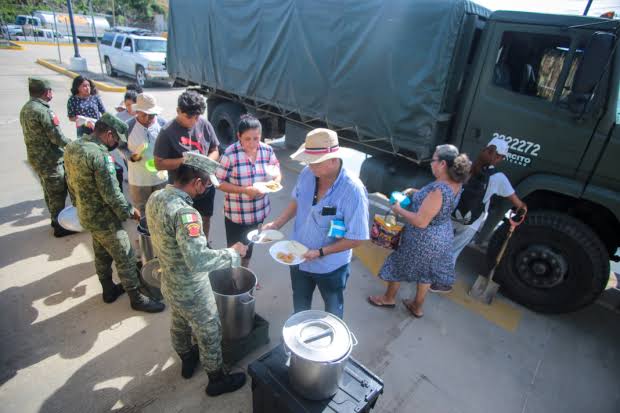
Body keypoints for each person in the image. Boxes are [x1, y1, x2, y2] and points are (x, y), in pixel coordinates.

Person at [146, 152, 248, 396]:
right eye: (206, 185)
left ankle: (187, 360)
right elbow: (199, 260)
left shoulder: (156, 197)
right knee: (210, 330)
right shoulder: (186, 214)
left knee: (179, 321)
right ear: (197, 183)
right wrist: (233, 253)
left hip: (168, 281)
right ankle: (216, 380)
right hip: (192, 288)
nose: (206, 190)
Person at [64, 113, 165, 313]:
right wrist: (130, 211)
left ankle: (108, 289)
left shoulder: (73, 147)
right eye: (117, 139)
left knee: (101, 252)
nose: (117, 144)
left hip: (86, 214)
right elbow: (111, 194)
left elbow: (70, 182)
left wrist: (78, 205)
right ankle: (137, 298)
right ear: (109, 134)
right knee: (126, 256)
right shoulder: (101, 157)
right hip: (104, 218)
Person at [263, 128, 369, 319]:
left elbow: (357, 238)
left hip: (330, 266)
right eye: (308, 161)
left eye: (315, 163)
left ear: (333, 160)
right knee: (300, 303)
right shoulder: (307, 174)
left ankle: (333, 343)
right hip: (297, 256)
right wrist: (276, 224)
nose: (310, 167)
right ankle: (298, 336)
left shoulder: (353, 191)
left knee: (333, 308)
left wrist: (320, 252)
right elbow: (298, 201)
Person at [368, 145, 471, 317]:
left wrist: (397, 208)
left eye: (434, 159)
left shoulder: (439, 190)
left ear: (443, 164)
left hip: (423, 238)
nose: (431, 163)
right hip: (441, 236)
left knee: (398, 264)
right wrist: (414, 192)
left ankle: (388, 298)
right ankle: (417, 306)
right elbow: (435, 203)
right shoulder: (456, 183)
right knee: (426, 272)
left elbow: (421, 221)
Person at [430, 137, 527, 293]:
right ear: (499, 158)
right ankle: (442, 282)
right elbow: (516, 202)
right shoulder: (498, 178)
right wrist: (522, 207)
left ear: (485, 149)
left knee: (440, 243)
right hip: (471, 222)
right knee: (453, 250)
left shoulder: (466, 167)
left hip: (451, 213)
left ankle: (426, 270)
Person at [216, 114, 281, 268]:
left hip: (259, 213)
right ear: (239, 136)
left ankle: (244, 274)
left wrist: (274, 183)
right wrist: (244, 190)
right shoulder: (230, 154)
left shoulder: (267, 151)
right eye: (247, 139)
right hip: (236, 215)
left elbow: (276, 170)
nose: (252, 143)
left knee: (250, 245)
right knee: (235, 250)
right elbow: (218, 182)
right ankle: (233, 280)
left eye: (256, 138)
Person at [154, 90, 220, 241]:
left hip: (204, 186)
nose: (194, 121)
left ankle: (203, 246)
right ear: (178, 111)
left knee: (204, 219)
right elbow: (158, 163)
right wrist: (183, 161)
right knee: (184, 224)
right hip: (181, 190)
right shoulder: (167, 132)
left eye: (197, 117)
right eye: (189, 117)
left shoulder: (204, 124)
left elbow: (215, 149)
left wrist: (207, 163)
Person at [19, 77, 76, 238]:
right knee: (57, 192)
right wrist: (73, 145)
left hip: (37, 159)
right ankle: (60, 226)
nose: (52, 93)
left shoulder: (26, 108)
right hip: (50, 159)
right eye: (50, 90)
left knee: (48, 191)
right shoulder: (43, 111)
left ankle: (54, 219)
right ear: (46, 92)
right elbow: (56, 137)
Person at [125, 93, 168, 215]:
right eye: (145, 115)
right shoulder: (128, 126)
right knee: (142, 212)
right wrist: (131, 156)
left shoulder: (162, 123)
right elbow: (121, 146)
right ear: (137, 112)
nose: (149, 118)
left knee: (161, 210)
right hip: (139, 180)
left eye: (152, 115)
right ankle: (144, 234)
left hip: (161, 178)